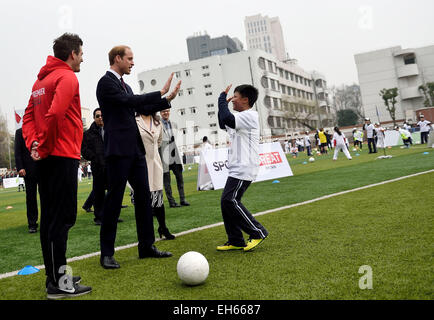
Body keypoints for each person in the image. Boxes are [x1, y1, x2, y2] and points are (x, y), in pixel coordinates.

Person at [96, 45, 180, 269]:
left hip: (135, 150)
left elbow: (140, 106)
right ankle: (106, 254)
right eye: (130, 59)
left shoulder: (125, 85)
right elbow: (130, 102)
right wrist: (160, 92)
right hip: (118, 151)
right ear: (117, 59)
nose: (133, 63)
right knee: (114, 201)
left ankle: (146, 246)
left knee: (144, 198)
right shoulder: (106, 83)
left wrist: (167, 98)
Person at [22, 33, 91, 299]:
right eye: (82, 54)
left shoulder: (40, 81)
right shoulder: (67, 77)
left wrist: (33, 145)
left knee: (51, 220)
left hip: (48, 156)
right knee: (61, 220)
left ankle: (57, 277)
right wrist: (44, 146)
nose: (83, 58)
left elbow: (28, 118)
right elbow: (55, 114)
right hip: (60, 155)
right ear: (72, 54)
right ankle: (58, 284)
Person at [216, 84, 268, 252]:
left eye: (236, 97)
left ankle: (258, 232)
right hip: (238, 167)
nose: (233, 100)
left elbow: (228, 118)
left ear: (245, 100)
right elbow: (223, 122)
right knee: (226, 203)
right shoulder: (240, 118)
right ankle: (236, 240)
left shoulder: (249, 115)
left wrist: (222, 99)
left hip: (244, 167)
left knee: (229, 200)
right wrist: (222, 105)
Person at [136, 111, 175, 240]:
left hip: (155, 163)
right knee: (142, 201)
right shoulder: (134, 120)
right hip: (139, 163)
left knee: (158, 199)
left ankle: (163, 227)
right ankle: (146, 234)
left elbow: (158, 142)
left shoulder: (157, 122)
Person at [81, 108, 108, 225]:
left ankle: (111, 215)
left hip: (111, 166)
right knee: (99, 193)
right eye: (97, 116)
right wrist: (95, 157)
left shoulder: (110, 129)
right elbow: (84, 150)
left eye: (102, 115)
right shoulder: (87, 134)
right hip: (98, 167)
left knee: (112, 193)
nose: (100, 118)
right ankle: (99, 217)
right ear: (94, 118)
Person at [159, 109, 190, 208]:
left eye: (167, 111)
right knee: (167, 181)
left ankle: (182, 199)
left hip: (175, 154)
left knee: (180, 178)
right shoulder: (157, 124)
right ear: (160, 113)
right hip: (163, 155)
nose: (166, 113)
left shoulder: (174, 124)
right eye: (163, 111)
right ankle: (172, 202)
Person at [14, 128, 39, 233]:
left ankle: (49, 221)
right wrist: (20, 167)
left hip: (44, 168)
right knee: (31, 198)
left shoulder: (42, 128)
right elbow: (18, 151)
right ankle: (32, 224)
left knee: (47, 197)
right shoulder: (20, 132)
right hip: (28, 170)